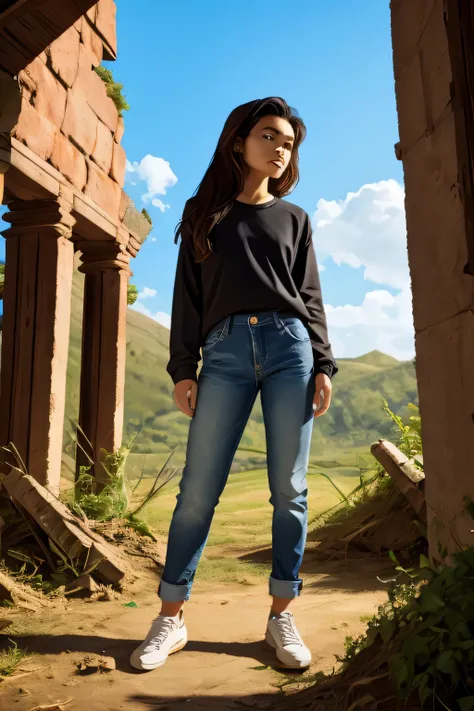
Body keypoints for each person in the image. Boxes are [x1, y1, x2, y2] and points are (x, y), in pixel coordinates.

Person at [130, 97, 338, 672]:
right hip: (221, 353)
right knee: (199, 489)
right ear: (239, 141)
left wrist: (323, 363)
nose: (280, 149)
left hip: (289, 349)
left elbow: (311, 296)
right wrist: (183, 368)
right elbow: (186, 299)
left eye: (288, 143)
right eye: (269, 136)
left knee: (288, 490)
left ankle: (281, 616)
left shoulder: (295, 219)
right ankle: (170, 619)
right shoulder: (205, 214)